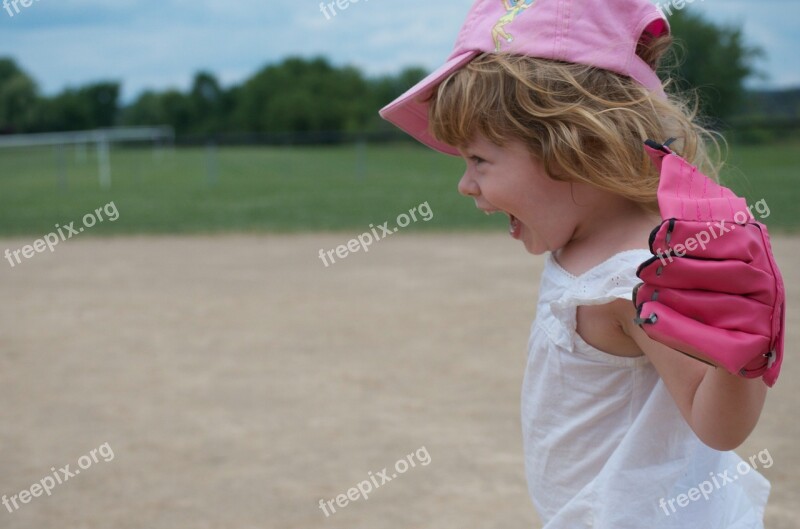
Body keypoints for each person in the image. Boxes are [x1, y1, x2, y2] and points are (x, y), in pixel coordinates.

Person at [380, 0, 771, 527]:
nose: (465, 184)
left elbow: (718, 427)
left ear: (571, 144)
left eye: (479, 160)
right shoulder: (577, 242)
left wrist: (741, 352)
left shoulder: (640, 274)